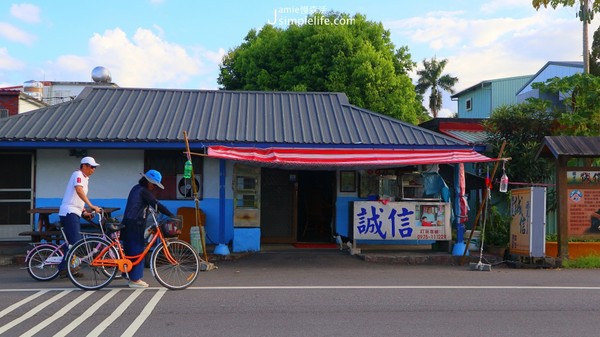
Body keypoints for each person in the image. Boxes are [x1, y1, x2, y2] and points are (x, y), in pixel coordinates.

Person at [121, 169, 174, 288]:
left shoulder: (137, 188)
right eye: (154, 184)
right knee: (137, 250)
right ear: (148, 181)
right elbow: (156, 204)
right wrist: (171, 215)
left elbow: (143, 204)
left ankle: (128, 275)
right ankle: (135, 280)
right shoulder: (143, 191)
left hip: (129, 222)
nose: (154, 187)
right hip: (135, 224)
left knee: (130, 251)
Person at [58, 156, 102, 278]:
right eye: (92, 167)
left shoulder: (85, 178)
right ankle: (64, 268)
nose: (93, 169)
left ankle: (70, 268)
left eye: (94, 167)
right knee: (75, 242)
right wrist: (91, 205)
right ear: (84, 166)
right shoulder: (77, 174)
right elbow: (78, 191)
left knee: (72, 242)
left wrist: (84, 212)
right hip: (69, 212)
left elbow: (77, 198)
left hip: (74, 212)